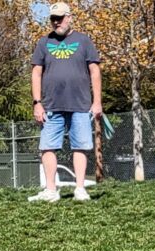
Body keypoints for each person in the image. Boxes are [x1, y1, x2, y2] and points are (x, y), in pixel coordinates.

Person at [28, 2, 102, 202]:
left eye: (59, 18)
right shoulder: (44, 43)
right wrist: (37, 103)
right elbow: (36, 73)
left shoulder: (84, 41)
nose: (55, 22)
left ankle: (80, 189)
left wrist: (97, 102)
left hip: (80, 104)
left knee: (80, 146)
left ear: (69, 17)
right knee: (47, 147)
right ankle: (51, 191)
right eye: (53, 18)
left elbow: (95, 71)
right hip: (51, 105)